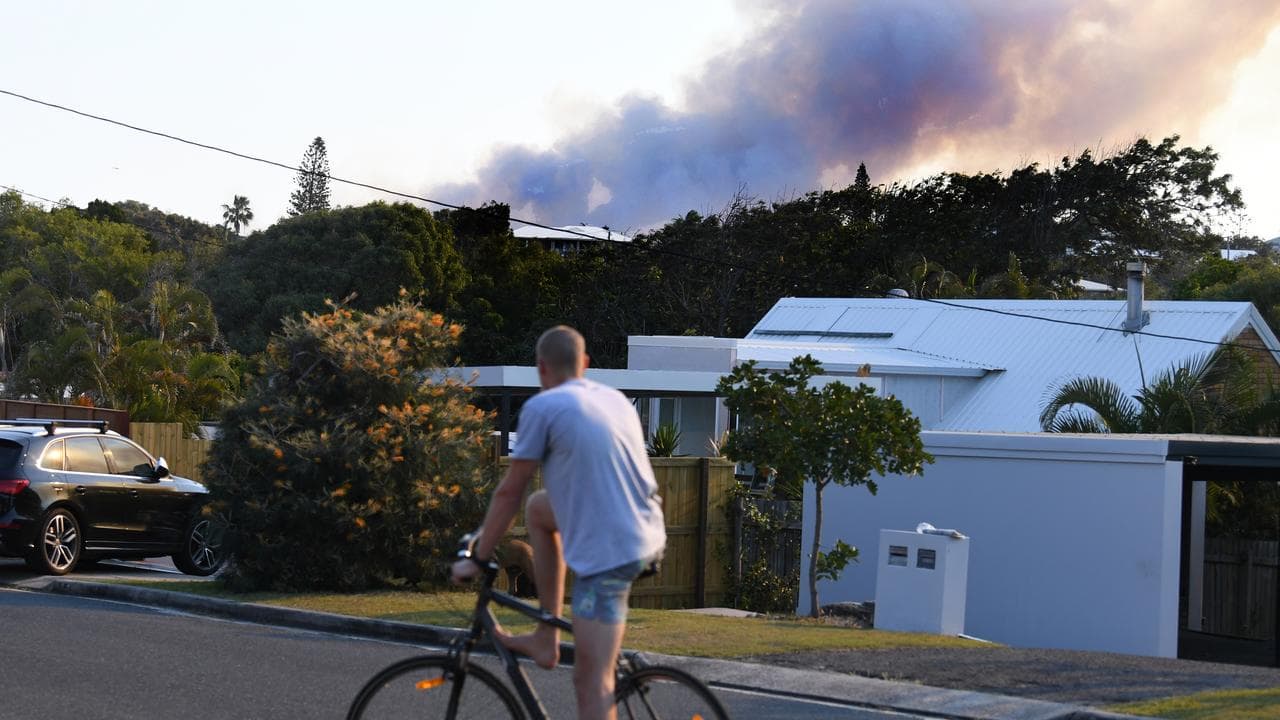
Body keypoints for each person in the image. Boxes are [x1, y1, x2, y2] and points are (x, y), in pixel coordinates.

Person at [451, 325, 666, 720]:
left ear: (541, 368)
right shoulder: (615, 399)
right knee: (539, 507)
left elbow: (508, 491)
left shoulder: (543, 407)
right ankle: (546, 638)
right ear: (584, 364)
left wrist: (477, 558)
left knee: (591, 682)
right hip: (647, 531)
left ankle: (560, 649)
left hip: (612, 554)